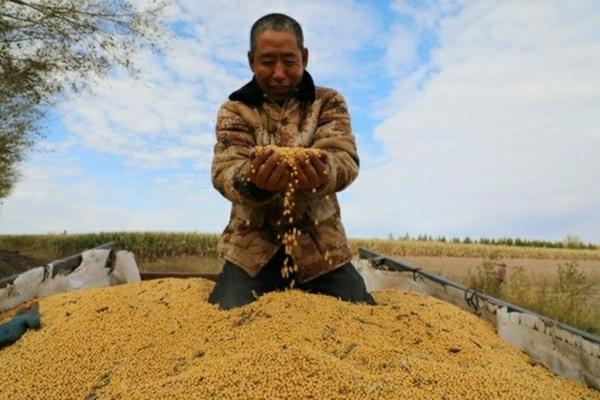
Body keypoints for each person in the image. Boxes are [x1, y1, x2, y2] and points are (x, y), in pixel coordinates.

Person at [208, 13, 374, 309]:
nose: (279, 73)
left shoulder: (328, 102)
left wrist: (325, 173)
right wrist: (252, 181)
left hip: (322, 251)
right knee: (225, 319)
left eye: (289, 60)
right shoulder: (234, 110)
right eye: (267, 61)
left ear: (305, 57)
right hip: (252, 253)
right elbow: (225, 170)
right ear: (251, 60)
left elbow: (343, 157)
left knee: (360, 313)